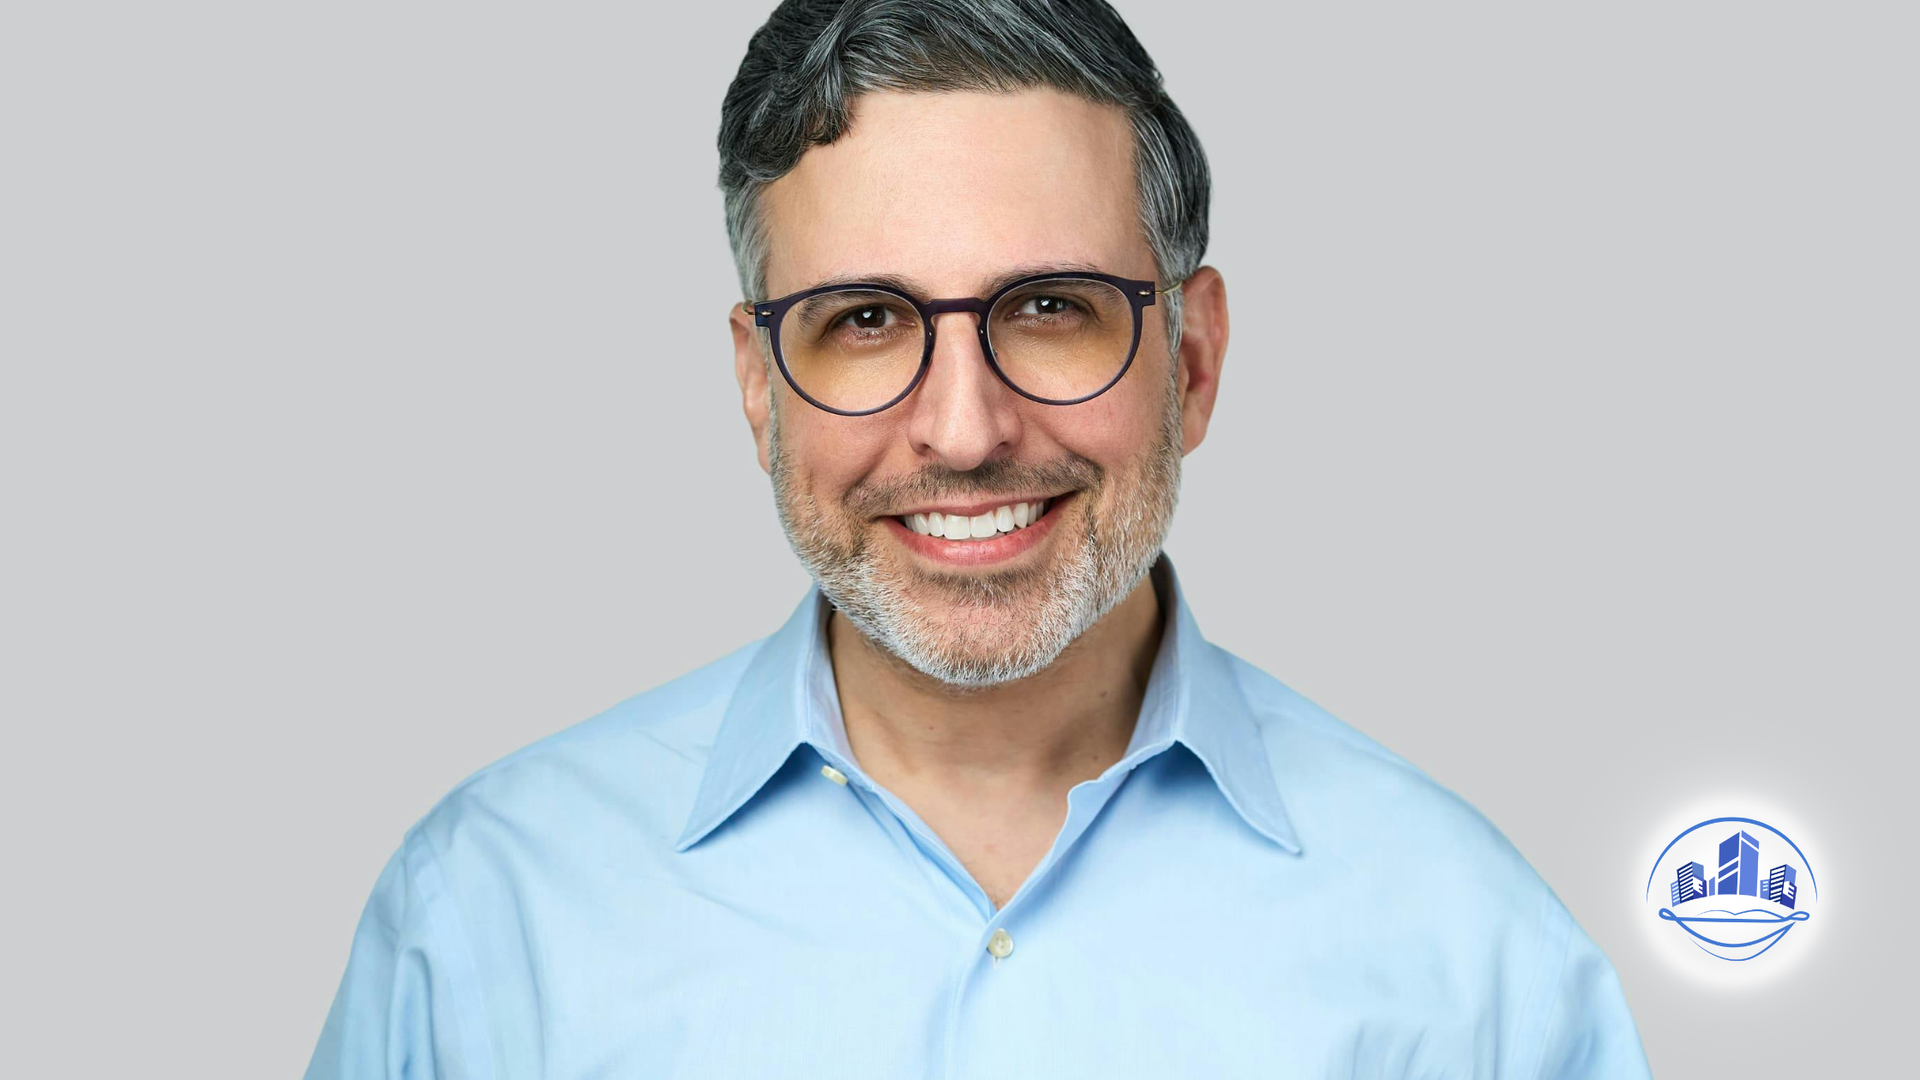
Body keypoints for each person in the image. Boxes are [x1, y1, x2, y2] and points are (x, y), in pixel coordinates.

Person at [306, 1, 1653, 1076]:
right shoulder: (486, 916)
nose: (962, 431)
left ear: (1192, 361)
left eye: (1051, 307)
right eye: (868, 321)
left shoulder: (1476, 959)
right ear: (759, 387)